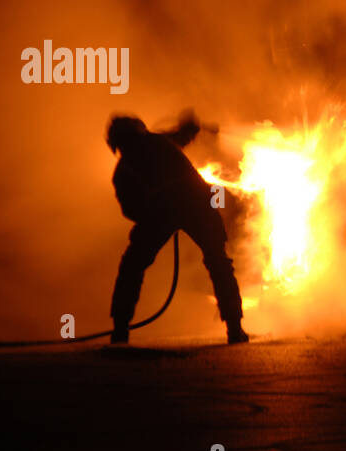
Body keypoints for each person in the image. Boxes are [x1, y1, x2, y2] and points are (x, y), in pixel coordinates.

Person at [105, 111, 248, 345]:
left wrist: (151, 215)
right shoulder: (153, 147)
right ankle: (235, 327)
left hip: (185, 205)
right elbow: (182, 136)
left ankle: (120, 330)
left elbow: (130, 210)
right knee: (218, 261)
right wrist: (191, 127)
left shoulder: (130, 165)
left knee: (133, 266)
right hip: (191, 205)